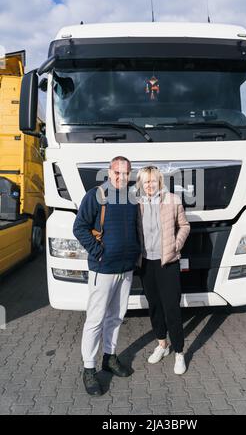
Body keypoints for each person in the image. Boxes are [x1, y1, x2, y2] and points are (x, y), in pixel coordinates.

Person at [73, 156, 141, 396]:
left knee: (116, 317)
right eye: (117, 173)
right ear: (109, 173)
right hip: (103, 269)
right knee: (95, 320)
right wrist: (98, 252)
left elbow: (136, 228)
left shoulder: (132, 197)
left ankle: (109, 358)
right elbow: (79, 227)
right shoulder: (96, 195)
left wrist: (136, 255)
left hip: (126, 268)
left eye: (126, 174)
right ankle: (89, 369)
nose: (121, 178)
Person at [136, 166, 190, 375]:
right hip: (146, 263)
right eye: (146, 182)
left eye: (153, 181)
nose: (150, 185)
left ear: (160, 181)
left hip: (167, 262)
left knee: (171, 308)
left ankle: (179, 352)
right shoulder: (136, 203)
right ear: (141, 184)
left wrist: (176, 245)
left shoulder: (173, 200)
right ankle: (162, 345)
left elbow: (184, 226)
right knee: (155, 307)